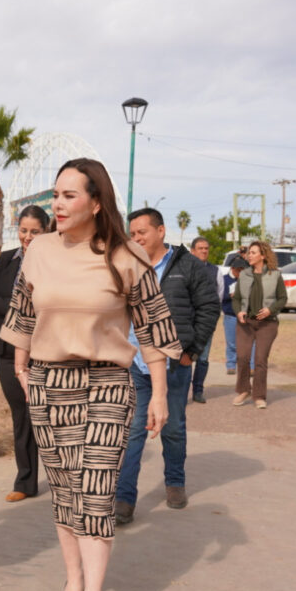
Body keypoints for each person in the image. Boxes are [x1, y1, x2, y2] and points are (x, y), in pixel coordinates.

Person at [0, 158, 181, 591]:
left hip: (107, 383)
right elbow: (22, 309)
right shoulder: (38, 250)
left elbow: (154, 328)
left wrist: (160, 393)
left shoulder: (128, 257)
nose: (56, 204)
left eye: (68, 196)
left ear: (96, 202)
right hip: (49, 380)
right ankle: (73, 580)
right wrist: (21, 367)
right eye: (54, 195)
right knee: (63, 487)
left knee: (96, 491)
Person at [114, 209, 220, 524]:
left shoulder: (188, 266)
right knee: (133, 431)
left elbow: (209, 307)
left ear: (161, 231)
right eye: (131, 234)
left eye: (141, 232)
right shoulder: (128, 265)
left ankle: (174, 482)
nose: (136, 239)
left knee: (172, 428)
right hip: (136, 363)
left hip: (175, 364)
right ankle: (124, 497)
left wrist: (191, 351)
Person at [0, 205, 50, 501]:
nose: (27, 237)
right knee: (21, 414)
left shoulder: (54, 263)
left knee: (45, 414)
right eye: (23, 230)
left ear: (46, 231)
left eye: (34, 231)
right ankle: (25, 482)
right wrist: (20, 308)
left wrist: (16, 306)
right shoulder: (7, 260)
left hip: (43, 349)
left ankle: (64, 477)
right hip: (7, 350)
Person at [232, 240, 287, 409]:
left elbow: (282, 298)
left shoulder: (275, 275)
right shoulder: (244, 275)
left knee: (260, 359)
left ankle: (259, 396)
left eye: (253, 252)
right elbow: (237, 299)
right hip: (246, 322)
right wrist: (238, 311)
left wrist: (271, 310)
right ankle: (243, 390)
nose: (249, 255)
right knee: (242, 357)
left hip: (267, 324)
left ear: (262, 256)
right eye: (249, 252)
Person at [188, 236, 225, 403]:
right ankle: (181, 393)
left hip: (206, 324)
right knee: (184, 359)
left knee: (202, 359)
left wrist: (211, 318)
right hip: (187, 322)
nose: (204, 251)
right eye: (200, 248)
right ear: (192, 251)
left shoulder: (215, 271)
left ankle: (198, 391)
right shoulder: (184, 269)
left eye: (206, 248)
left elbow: (219, 297)